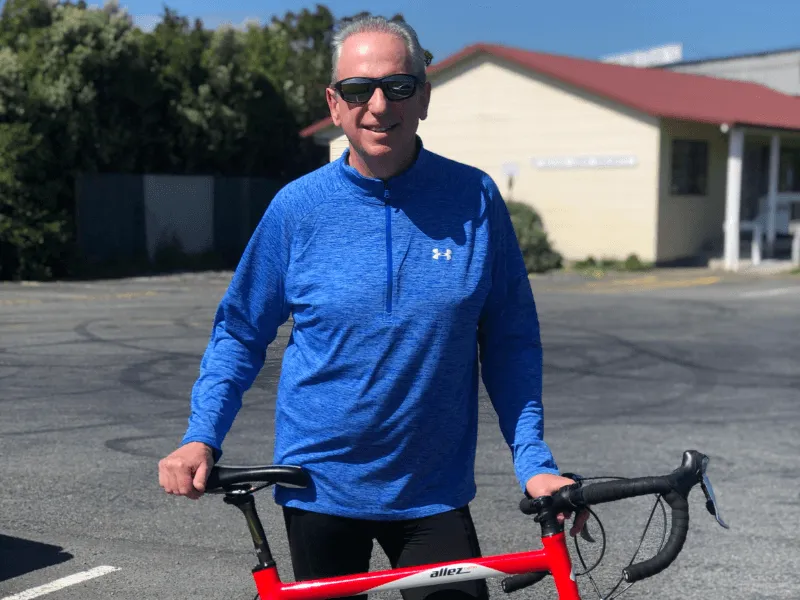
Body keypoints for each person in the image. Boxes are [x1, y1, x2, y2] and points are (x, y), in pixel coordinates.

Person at [158, 16, 585, 600]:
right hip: (318, 488)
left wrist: (533, 462)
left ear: (424, 98)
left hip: (432, 492)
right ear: (335, 105)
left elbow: (510, 341)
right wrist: (201, 435)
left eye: (398, 86)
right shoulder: (297, 209)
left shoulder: (476, 198)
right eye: (358, 89)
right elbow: (239, 332)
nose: (378, 105)